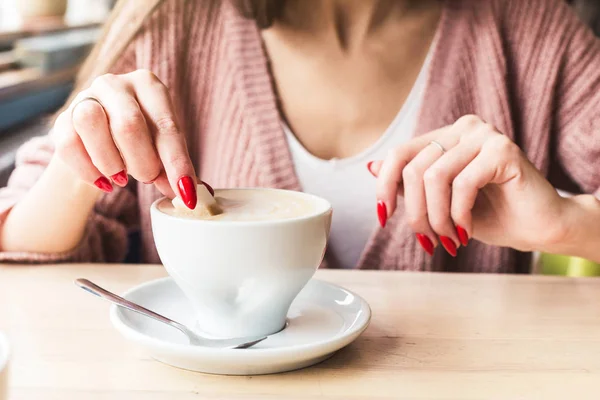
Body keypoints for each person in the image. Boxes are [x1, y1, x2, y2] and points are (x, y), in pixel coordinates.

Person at [0, 0, 599, 273]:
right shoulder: (170, 22)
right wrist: (80, 163)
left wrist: (564, 223)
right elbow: (16, 242)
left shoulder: (534, 30)